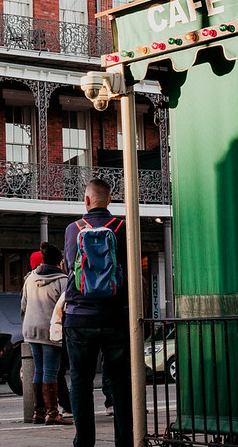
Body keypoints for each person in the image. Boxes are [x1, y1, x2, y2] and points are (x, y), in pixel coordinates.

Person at [64, 178, 132, 447]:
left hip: (79, 316)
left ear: (87, 201)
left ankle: (84, 442)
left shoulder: (73, 229)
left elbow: (71, 265)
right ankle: (125, 440)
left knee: (80, 381)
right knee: (119, 382)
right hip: (115, 315)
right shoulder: (121, 228)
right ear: (110, 200)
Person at [21, 242, 72, 426]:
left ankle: (39, 413)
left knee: (39, 370)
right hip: (50, 331)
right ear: (59, 262)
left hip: (31, 329)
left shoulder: (30, 278)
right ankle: (52, 413)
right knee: (51, 371)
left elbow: (23, 306)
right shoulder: (63, 280)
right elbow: (67, 308)